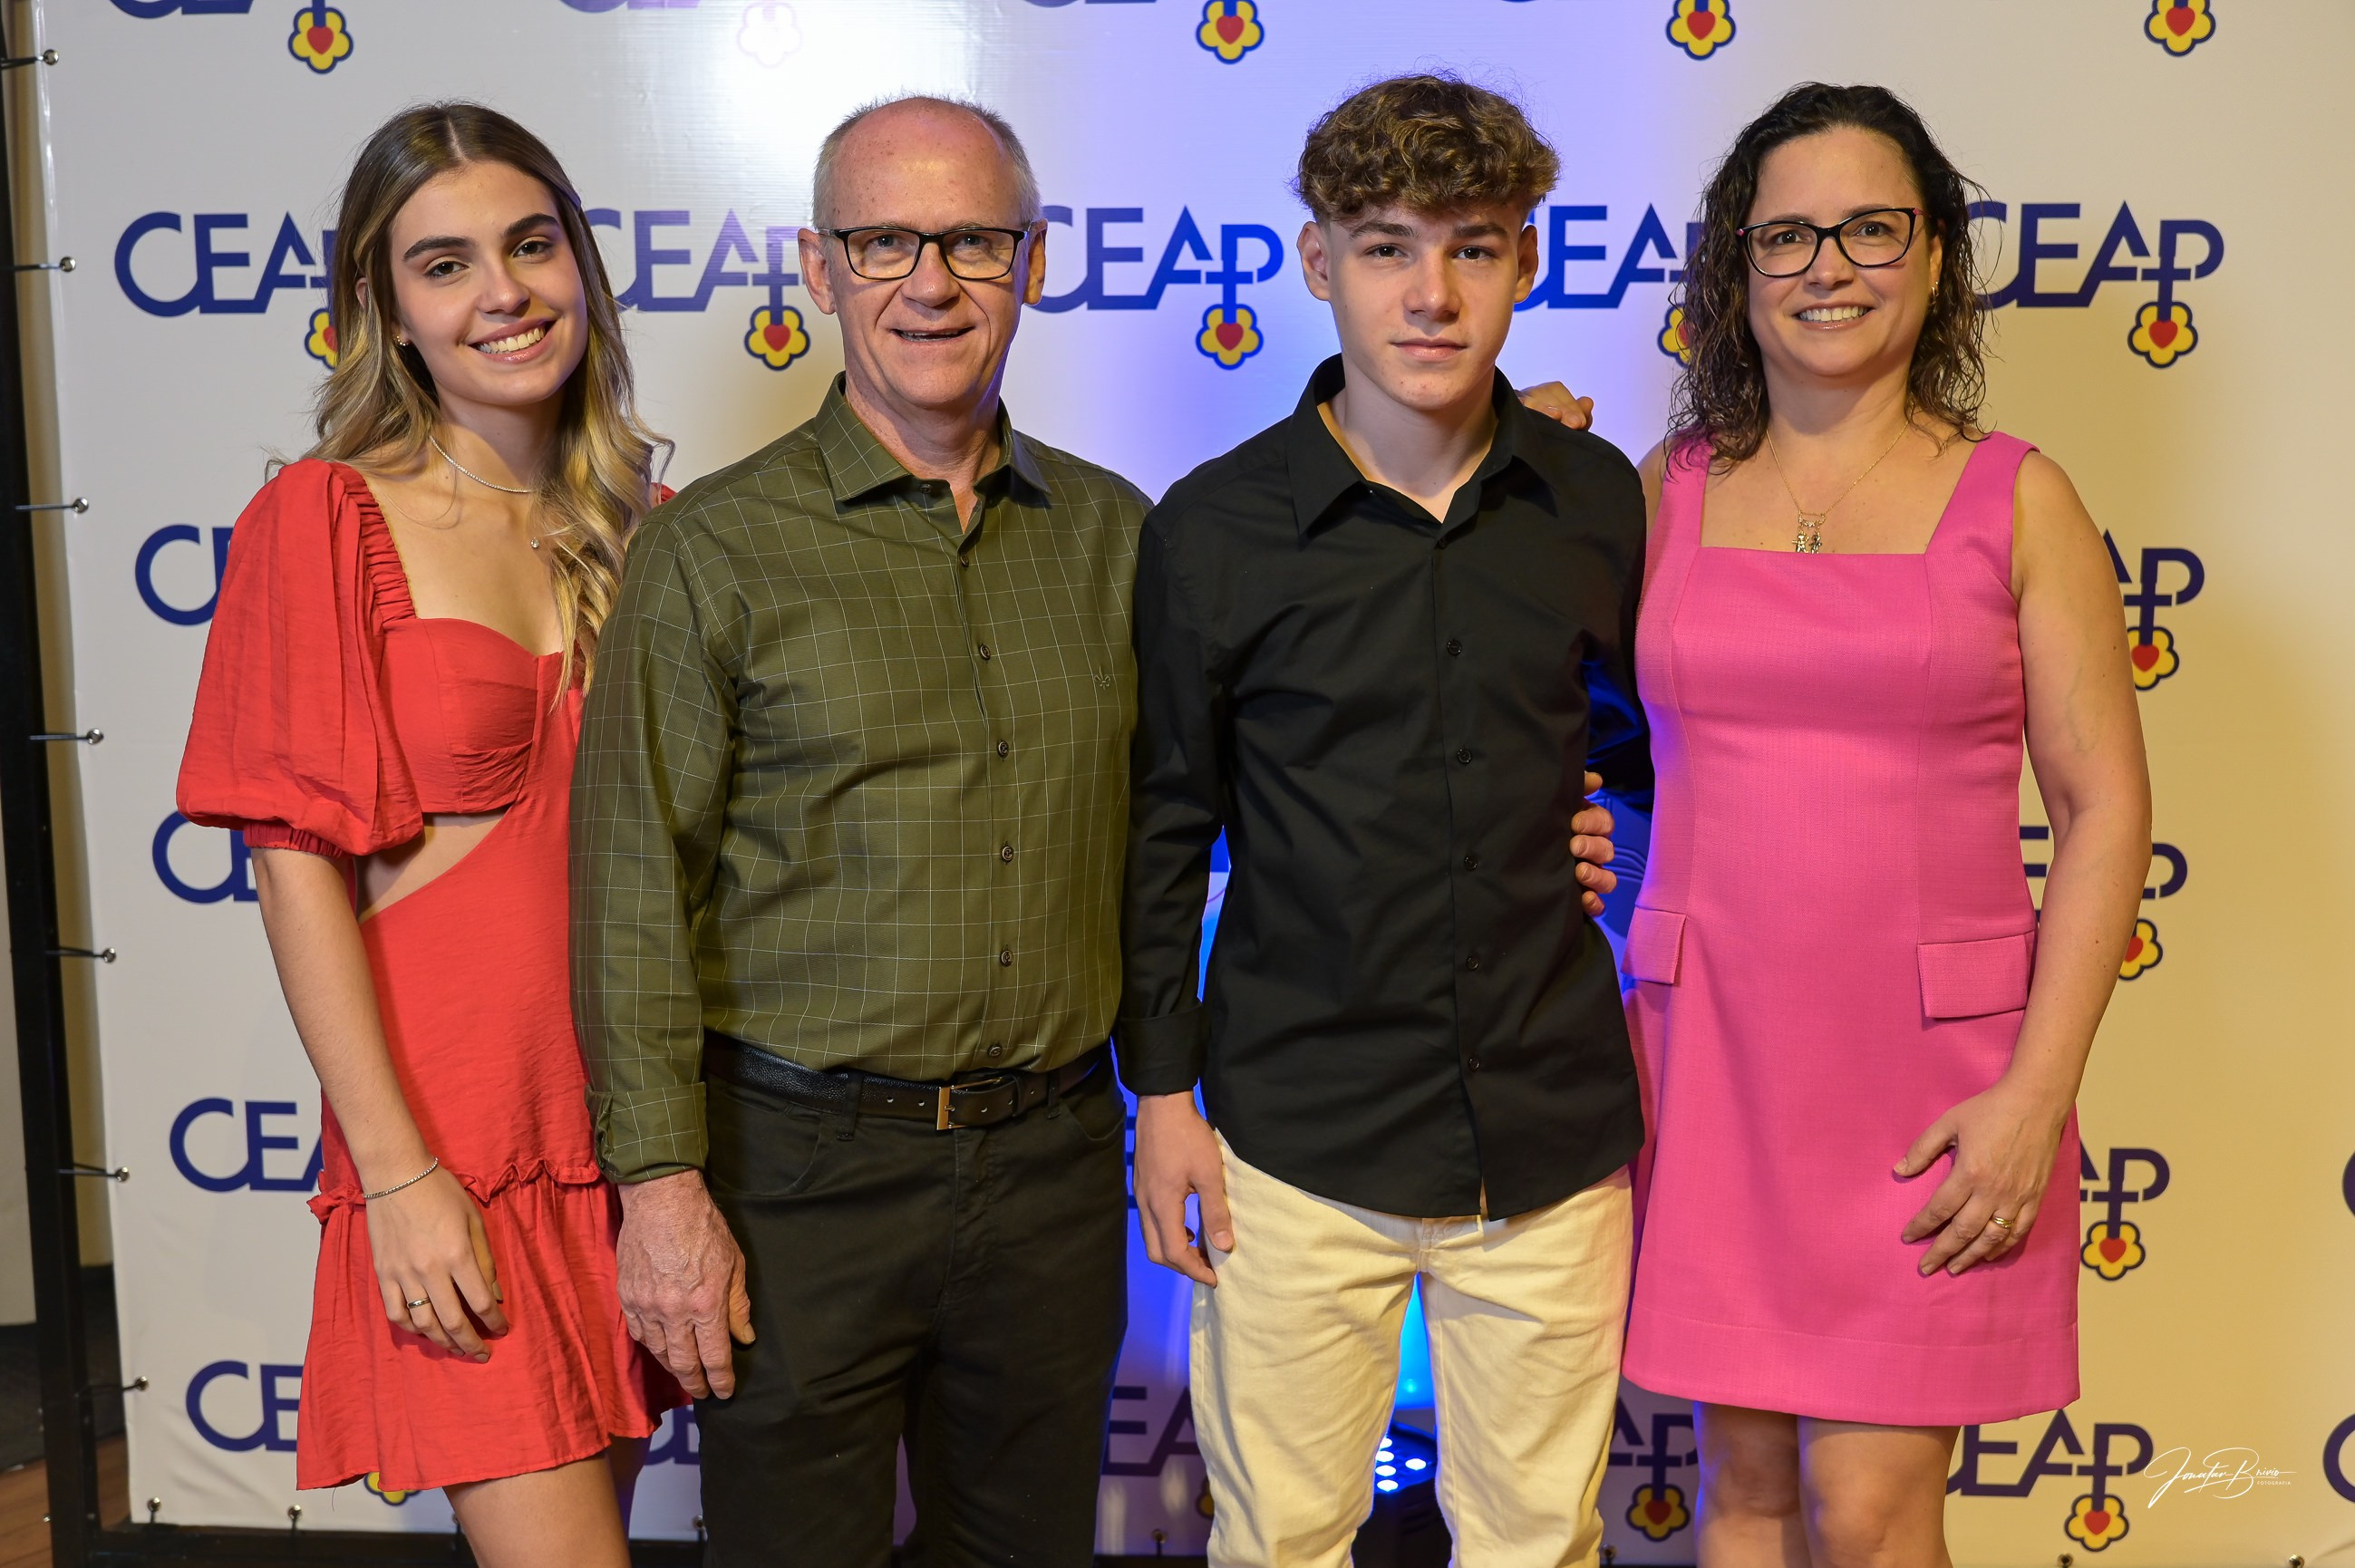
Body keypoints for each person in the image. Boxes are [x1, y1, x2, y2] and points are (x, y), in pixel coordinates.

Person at [570, 92, 1618, 1568]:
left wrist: (1546, 806)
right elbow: (630, 892)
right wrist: (661, 1188)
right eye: (882, 244)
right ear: (817, 267)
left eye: (971, 242)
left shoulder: (1121, 530)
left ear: (1035, 261)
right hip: (800, 1170)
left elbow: (1274, 775)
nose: (930, 283)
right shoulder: (714, 546)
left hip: (1051, 1167)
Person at [1121, 75, 1652, 1568]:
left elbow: (1652, 743)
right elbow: (1161, 826)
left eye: (1472, 247)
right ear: (1316, 261)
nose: (1431, 294)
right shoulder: (1212, 527)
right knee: (1280, 1539)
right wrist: (1161, 1097)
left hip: (1547, 1132)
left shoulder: (1595, 500)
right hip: (1291, 1137)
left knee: (1540, 1542)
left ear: (1526, 262)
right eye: (1385, 247)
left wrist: (1612, 822)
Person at [1617, 83, 2150, 1566]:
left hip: (1932, 1082)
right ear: (1736, 268)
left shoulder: (2018, 499)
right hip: (1706, 1057)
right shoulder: (1661, 492)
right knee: (1742, 1495)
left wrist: (2036, 1094)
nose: (1827, 267)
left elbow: (2104, 807)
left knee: (1867, 1510)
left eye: (1869, 228)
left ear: (1931, 256)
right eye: (1785, 234)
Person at [176, 104, 681, 1568]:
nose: (502, 293)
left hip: (632, 1140)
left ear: (581, 265)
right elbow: (294, 869)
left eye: (531, 246)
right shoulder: (323, 516)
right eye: (444, 264)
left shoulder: (651, 525)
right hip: (458, 1143)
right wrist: (398, 1177)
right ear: (386, 311)